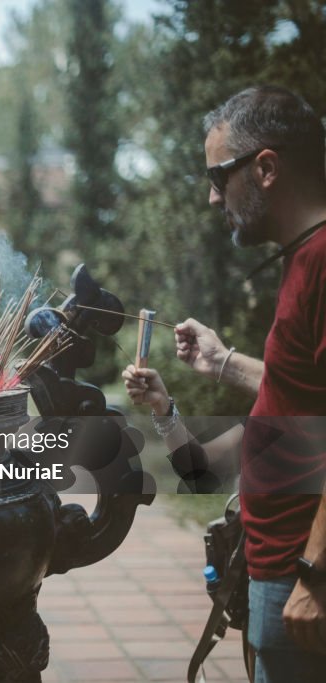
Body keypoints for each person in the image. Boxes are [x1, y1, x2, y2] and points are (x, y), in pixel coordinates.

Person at [124, 85, 326, 683]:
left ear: (265, 168)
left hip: (303, 575)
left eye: (219, 174)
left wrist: (315, 574)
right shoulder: (302, 258)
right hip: (274, 567)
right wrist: (200, 380)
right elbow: (295, 400)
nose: (213, 197)